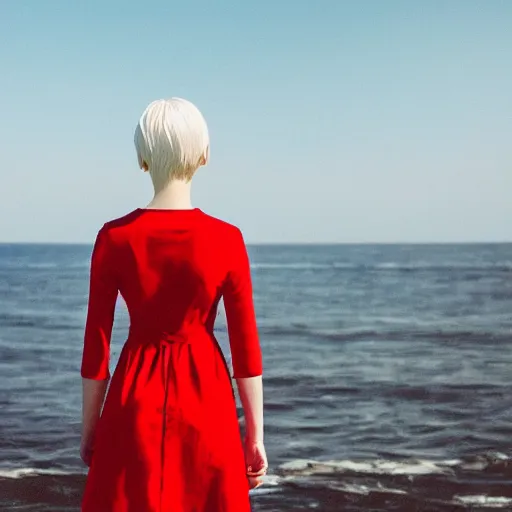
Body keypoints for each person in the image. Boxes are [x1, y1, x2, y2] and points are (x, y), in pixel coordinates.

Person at [79, 97, 267, 511]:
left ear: (142, 158)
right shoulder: (227, 240)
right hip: (207, 396)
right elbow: (245, 351)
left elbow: (97, 350)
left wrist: (91, 428)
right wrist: (255, 436)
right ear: (204, 155)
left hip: (134, 395)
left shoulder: (113, 238)